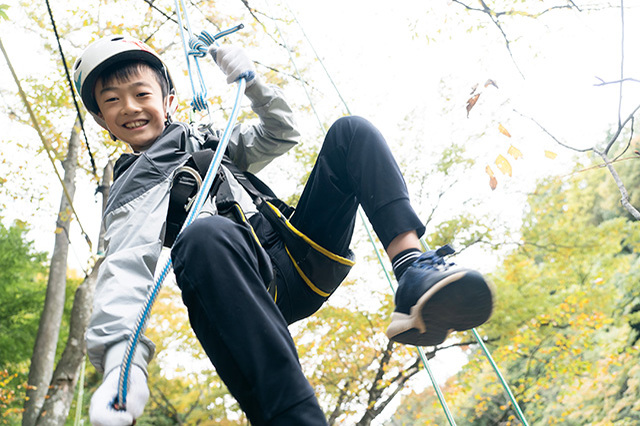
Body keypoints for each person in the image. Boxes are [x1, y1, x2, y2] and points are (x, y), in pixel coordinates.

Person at [74, 34, 494, 425]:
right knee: (203, 236)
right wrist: (120, 358)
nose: (129, 107)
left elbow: (280, 133)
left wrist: (251, 82)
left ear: (168, 100)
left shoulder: (207, 140)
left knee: (351, 133)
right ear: (100, 118)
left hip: (301, 255)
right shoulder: (134, 185)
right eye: (112, 101)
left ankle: (412, 270)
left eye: (141, 94)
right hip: (246, 282)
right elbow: (126, 266)